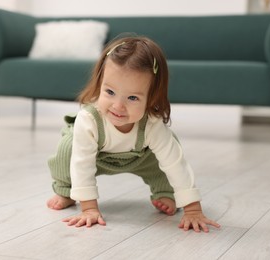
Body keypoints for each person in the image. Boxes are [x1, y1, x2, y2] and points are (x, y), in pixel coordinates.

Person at [47, 35, 220, 232]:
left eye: (132, 98)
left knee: (167, 150)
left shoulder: (151, 125)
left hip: (139, 158)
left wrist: (192, 209)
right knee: (67, 149)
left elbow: (174, 163)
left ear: (152, 99)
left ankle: (164, 191)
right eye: (110, 92)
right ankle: (67, 192)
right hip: (97, 158)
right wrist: (89, 208)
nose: (118, 106)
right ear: (99, 83)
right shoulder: (89, 120)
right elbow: (82, 163)